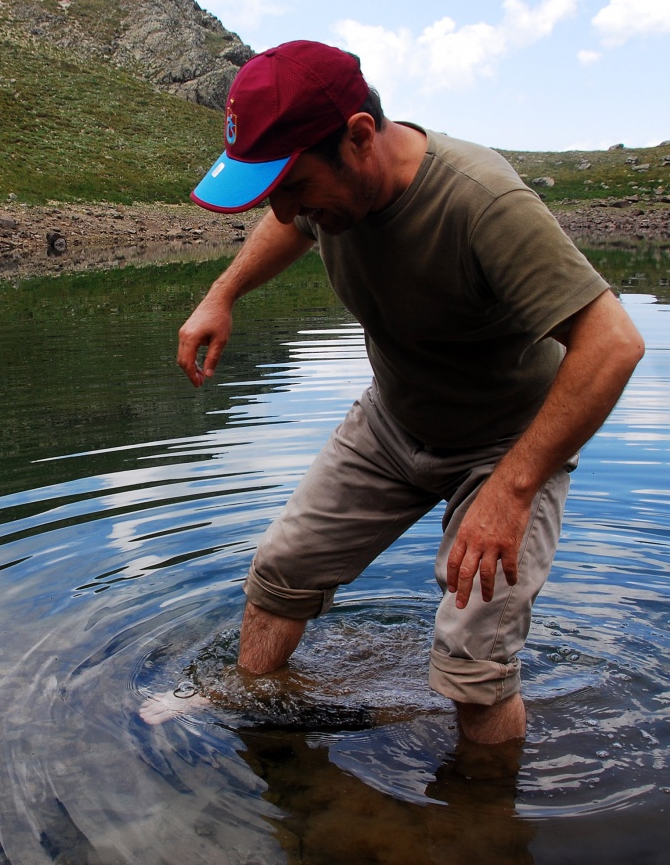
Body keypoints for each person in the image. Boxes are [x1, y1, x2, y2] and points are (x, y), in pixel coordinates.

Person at [166, 40, 644, 745]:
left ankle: (480, 825)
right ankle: (260, 737)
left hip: (505, 445)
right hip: (392, 420)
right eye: (275, 196)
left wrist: (510, 491)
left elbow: (613, 342)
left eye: (294, 188)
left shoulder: (481, 201)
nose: (288, 210)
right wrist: (223, 292)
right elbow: (288, 220)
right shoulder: (321, 190)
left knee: (473, 665)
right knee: (279, 573)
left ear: (359, 136)